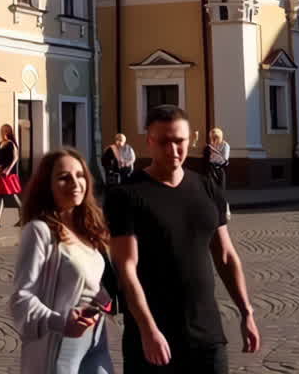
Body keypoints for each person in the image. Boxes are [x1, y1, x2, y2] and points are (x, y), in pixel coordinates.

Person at [105, 105, 260, 373]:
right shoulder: (126, 195)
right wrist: (148, 329)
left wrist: (246, 312)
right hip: (154, 338)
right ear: (149, 141)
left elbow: (225, 255)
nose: (173, 150)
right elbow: (126, 268)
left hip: (207, 335)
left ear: (192, 139)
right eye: (164, 142)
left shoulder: (207, 188)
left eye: (179, 141)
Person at [10, 148, 115, 374]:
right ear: (47, 186)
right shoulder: (40, 231)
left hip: (96, 339)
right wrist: (61, 322)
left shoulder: (86, 229)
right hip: (60, 345)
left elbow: (87, 280)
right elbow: (21, 298)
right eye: (63, 178)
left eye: (79, 175)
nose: (75, 183)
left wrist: (103, 296)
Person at [0, 124, 24, 228]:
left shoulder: (11, 144)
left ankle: (23, 218)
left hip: (8, 174)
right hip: (0, 173)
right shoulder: (0, 143)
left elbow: (15, 158)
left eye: (2, 130)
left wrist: (8, 169)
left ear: (7, 132)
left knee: (13, 196)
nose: (0, 132)